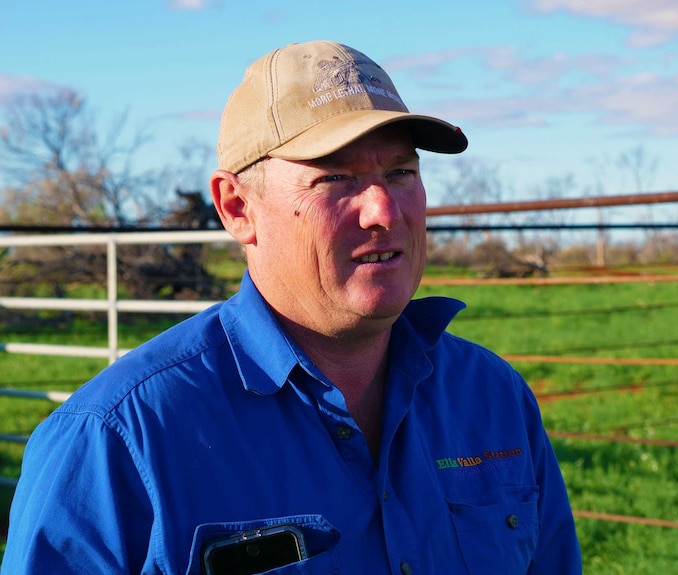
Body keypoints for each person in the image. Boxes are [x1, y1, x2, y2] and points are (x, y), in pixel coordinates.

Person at [2, 40, 581, 574]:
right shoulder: (115, 440)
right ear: (237, 208)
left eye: (401, 171)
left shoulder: (492, 397)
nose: (384, 209)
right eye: (334, 177)